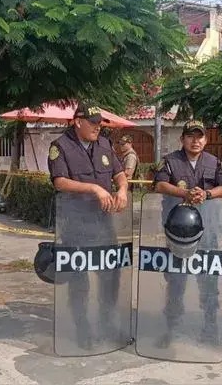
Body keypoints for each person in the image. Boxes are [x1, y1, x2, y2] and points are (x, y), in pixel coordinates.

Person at [47, 102, 129, 348]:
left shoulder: (104, 144)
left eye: (99, 123)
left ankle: (107, 322)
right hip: (75, 224)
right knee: (79, 279)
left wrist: (123, 189)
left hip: (104, 223)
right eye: (92, 123)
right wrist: (94, 188)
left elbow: (119, 173)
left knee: (109, 276)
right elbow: (60, 182)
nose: (97, 127)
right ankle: (82, 328)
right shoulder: (60, 146)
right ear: (77, 121)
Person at [152, 119, 222, 346]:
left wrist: (207, 194)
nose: (195, 141)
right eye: (190, 136)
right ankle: (171, 328)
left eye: (200, 137)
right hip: (177, 234)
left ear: (205, 139)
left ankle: (210, 328)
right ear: (182, 139)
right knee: (176, 282)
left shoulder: (213, 162)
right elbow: (159, 185)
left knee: (208, 283)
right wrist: (183, 193)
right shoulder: (170, 161)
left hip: (209, 232)